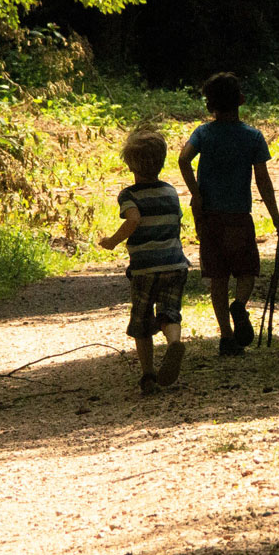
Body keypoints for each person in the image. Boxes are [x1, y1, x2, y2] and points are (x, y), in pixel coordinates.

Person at [178, 72, 279, 356]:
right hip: (239, 216)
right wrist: (276, 218)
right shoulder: (252, 137)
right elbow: (263, 181)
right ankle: (239, 304)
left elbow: (183, 159)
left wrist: (196, 193)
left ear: (209, 106)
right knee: (247, 270)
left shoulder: (203, 133)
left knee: (217, 278)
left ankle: (227, 338)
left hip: (209, 216)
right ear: (241, 100)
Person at [99, 128, 190, 395]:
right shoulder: (171, 192)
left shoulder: (129, 195)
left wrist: (113, 240)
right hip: (175, 264)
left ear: (129, 164)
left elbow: (134, 219)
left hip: (145, 268)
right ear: (162, 161)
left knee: (141, 321)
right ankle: (174, 342)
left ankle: (148, 375)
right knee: (169, 312)